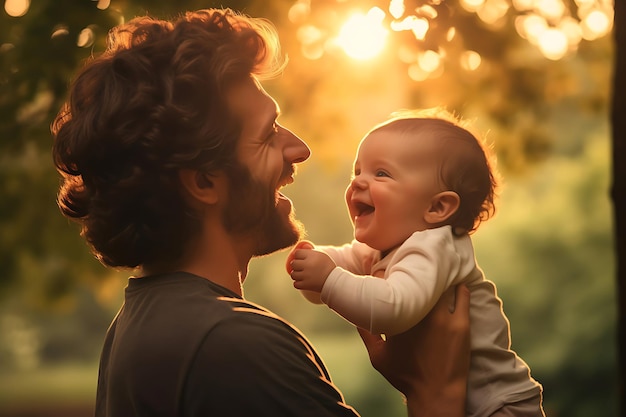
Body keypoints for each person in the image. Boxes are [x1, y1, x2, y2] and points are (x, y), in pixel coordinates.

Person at [50, 9, 471, 417]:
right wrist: (436, 394)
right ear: (204, 182)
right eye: (268, 134)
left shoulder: (138, 323)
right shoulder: (234, 343)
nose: (299, 149)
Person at [287, 109, 546, 417]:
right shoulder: (383, 247)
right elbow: (334, 270)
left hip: (502, 406)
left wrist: (329, 280)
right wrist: (315, 263)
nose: (358, 183)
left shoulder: (435, 246)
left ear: (437, 207)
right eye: (357, 172)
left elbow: (394, 308)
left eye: (381, 174)